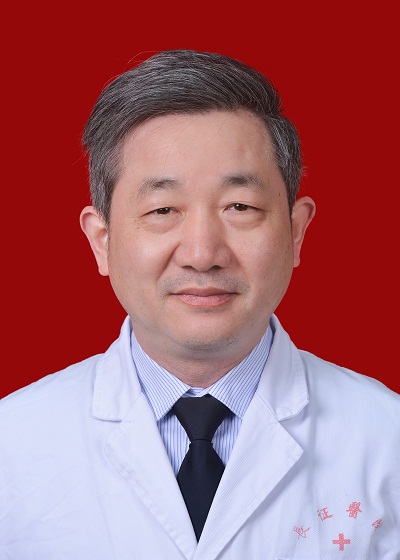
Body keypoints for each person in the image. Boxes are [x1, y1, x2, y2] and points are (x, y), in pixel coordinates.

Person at [0, 49, 399, 559]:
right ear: (102, 240)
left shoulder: (387, 441)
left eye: (240, 206)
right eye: (163, 209)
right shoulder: (14, 446)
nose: (202, 253)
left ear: (296, 231)